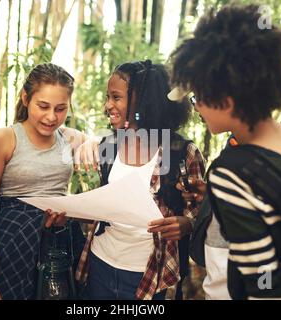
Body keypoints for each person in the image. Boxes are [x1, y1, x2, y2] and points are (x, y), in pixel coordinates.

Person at [169, 4, 281, 299]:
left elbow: (264, 283)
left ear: (226, 99)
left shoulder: (230, 173)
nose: (195, 108)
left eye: (197, 97)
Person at [74, 60, 206, 300]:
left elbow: (201, 214)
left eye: (116, 97)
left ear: (142, 100)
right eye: (107, 97)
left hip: (152, 274)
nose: (107, 106)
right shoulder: (108, 146)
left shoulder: (182, 152)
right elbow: (103, 206)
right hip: (100, 264)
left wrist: (186, 224)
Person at [0, 63, 87, 300]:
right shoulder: (4, 138)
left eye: (61, 108)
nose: (51, 116)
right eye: (43, 106)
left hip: (58, 244)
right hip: (12, 243)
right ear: (26, 98)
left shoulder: (69, 138)